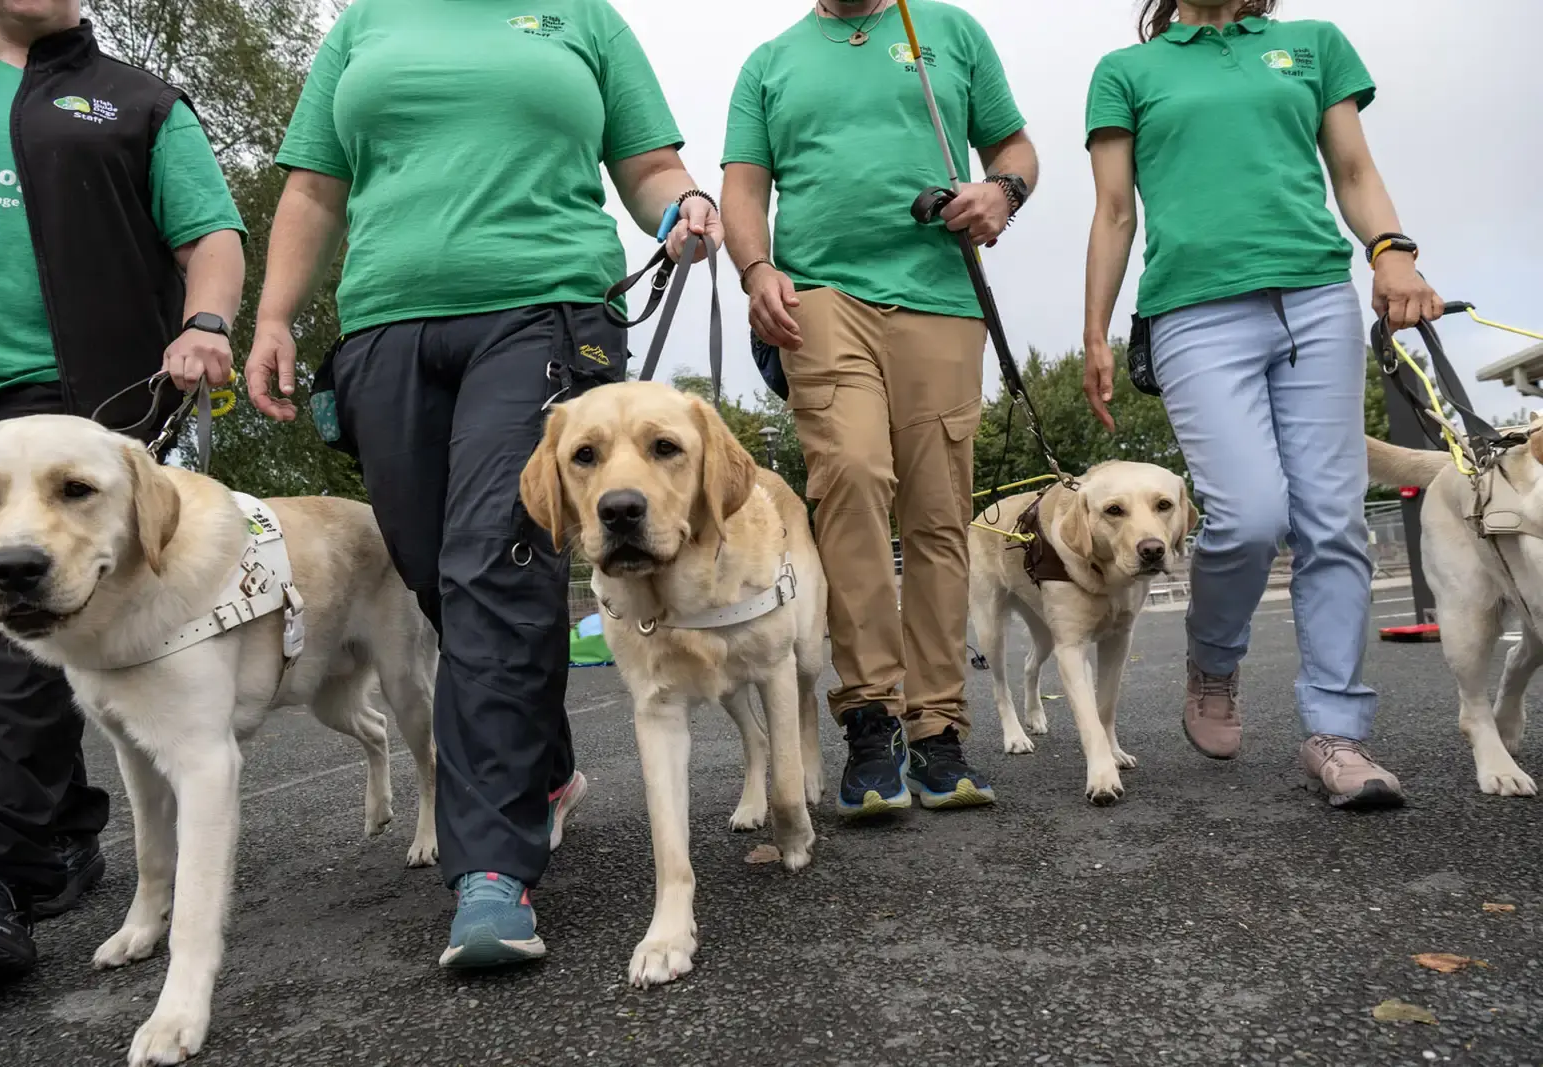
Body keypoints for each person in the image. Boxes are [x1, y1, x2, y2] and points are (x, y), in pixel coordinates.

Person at [245, 0, 721, 969]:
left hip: (543, 310)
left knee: (491, 565)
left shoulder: (579, 18)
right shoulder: (363, 26)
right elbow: (312, 190)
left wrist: (683, 203)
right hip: (386, 324)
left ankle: (492, 872)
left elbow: (648, 165)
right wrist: (275, 316)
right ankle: (542, 769)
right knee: (432, 570)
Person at [0, 0, 246, 983]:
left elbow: (212, 234)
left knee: (11, 635)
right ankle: (63, 832)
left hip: (65, 401)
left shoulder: (137, 101)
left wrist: (206, 320)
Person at [1081, 0, 1441, 808]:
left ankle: (1336, 735)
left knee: (1333, 518)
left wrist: (1392, 254)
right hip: (1193, 311)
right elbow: (1113, 211)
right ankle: (1213, 656)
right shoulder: (1127, 72)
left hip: (1315, 296)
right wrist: (1094, 333)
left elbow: (1353, 171)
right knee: (1247, 513)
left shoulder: (1311, 46)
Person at [721, 0, 1037, 817]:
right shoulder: (769, 61)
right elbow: (743, 187)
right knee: (854, 476)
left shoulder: (953, 32)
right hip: (822, 295)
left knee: (936, 511)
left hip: (940, 294)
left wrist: (1001, 192)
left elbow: (1015, 149)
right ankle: (870, 716)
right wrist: (757, 268)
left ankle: (937, 727)